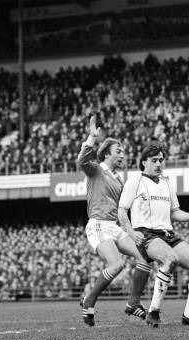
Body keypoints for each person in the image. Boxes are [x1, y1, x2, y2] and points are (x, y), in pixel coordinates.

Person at [118, 141, 189, 327]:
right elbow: (122, 210)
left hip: (167, 233)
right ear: (144, 162)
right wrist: (131, 232)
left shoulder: (167, 183)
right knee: (170, 259)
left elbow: (174, 212)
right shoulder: (135, 180)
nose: (159, 164)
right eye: (154, 160)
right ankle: (153, 312)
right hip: (146, 233)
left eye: (161, 160)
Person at [76, 116, 152, 326]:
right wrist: (92, 137)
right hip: (99, 224)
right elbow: (82, 161)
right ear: (107, 153)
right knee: (116, 264)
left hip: (114, 226)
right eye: (119, 151)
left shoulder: (120, 179)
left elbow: (123, 208)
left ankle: (133, 303)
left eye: (124, 151)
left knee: (145, 257)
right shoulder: (97, 169)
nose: (123, 155)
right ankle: (89, 300)